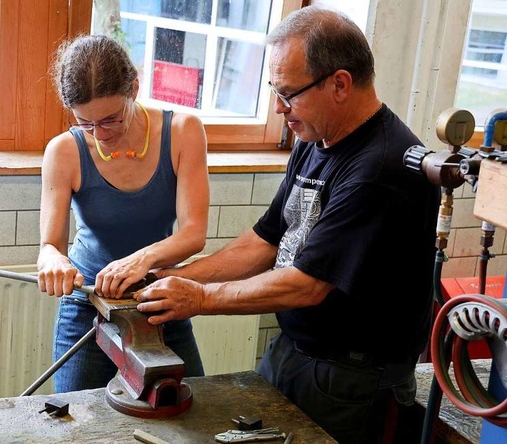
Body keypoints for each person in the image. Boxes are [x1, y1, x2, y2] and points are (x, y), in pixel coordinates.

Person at [135, 6, 440, 444]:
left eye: (289, 93)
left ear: (340, 83)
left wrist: (198, 297)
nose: (279, 109)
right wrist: (172, 279)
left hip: (351, 378)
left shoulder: (380, 168)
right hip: (293, 350)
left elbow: (307, 285)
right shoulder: (317, 136)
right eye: (274, 91)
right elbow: (266, 239)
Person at [37, 34, 209, 392]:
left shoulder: (182, 131)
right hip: (88, 302)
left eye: (111, 120)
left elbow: (194, 233)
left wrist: (140, 261)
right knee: (73, 419)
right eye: (86, 123)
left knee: (192, 410)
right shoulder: (63, 151)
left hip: (158, 296)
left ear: (134, 87)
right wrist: (52, 260)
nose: (100, 135)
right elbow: (49, 246)